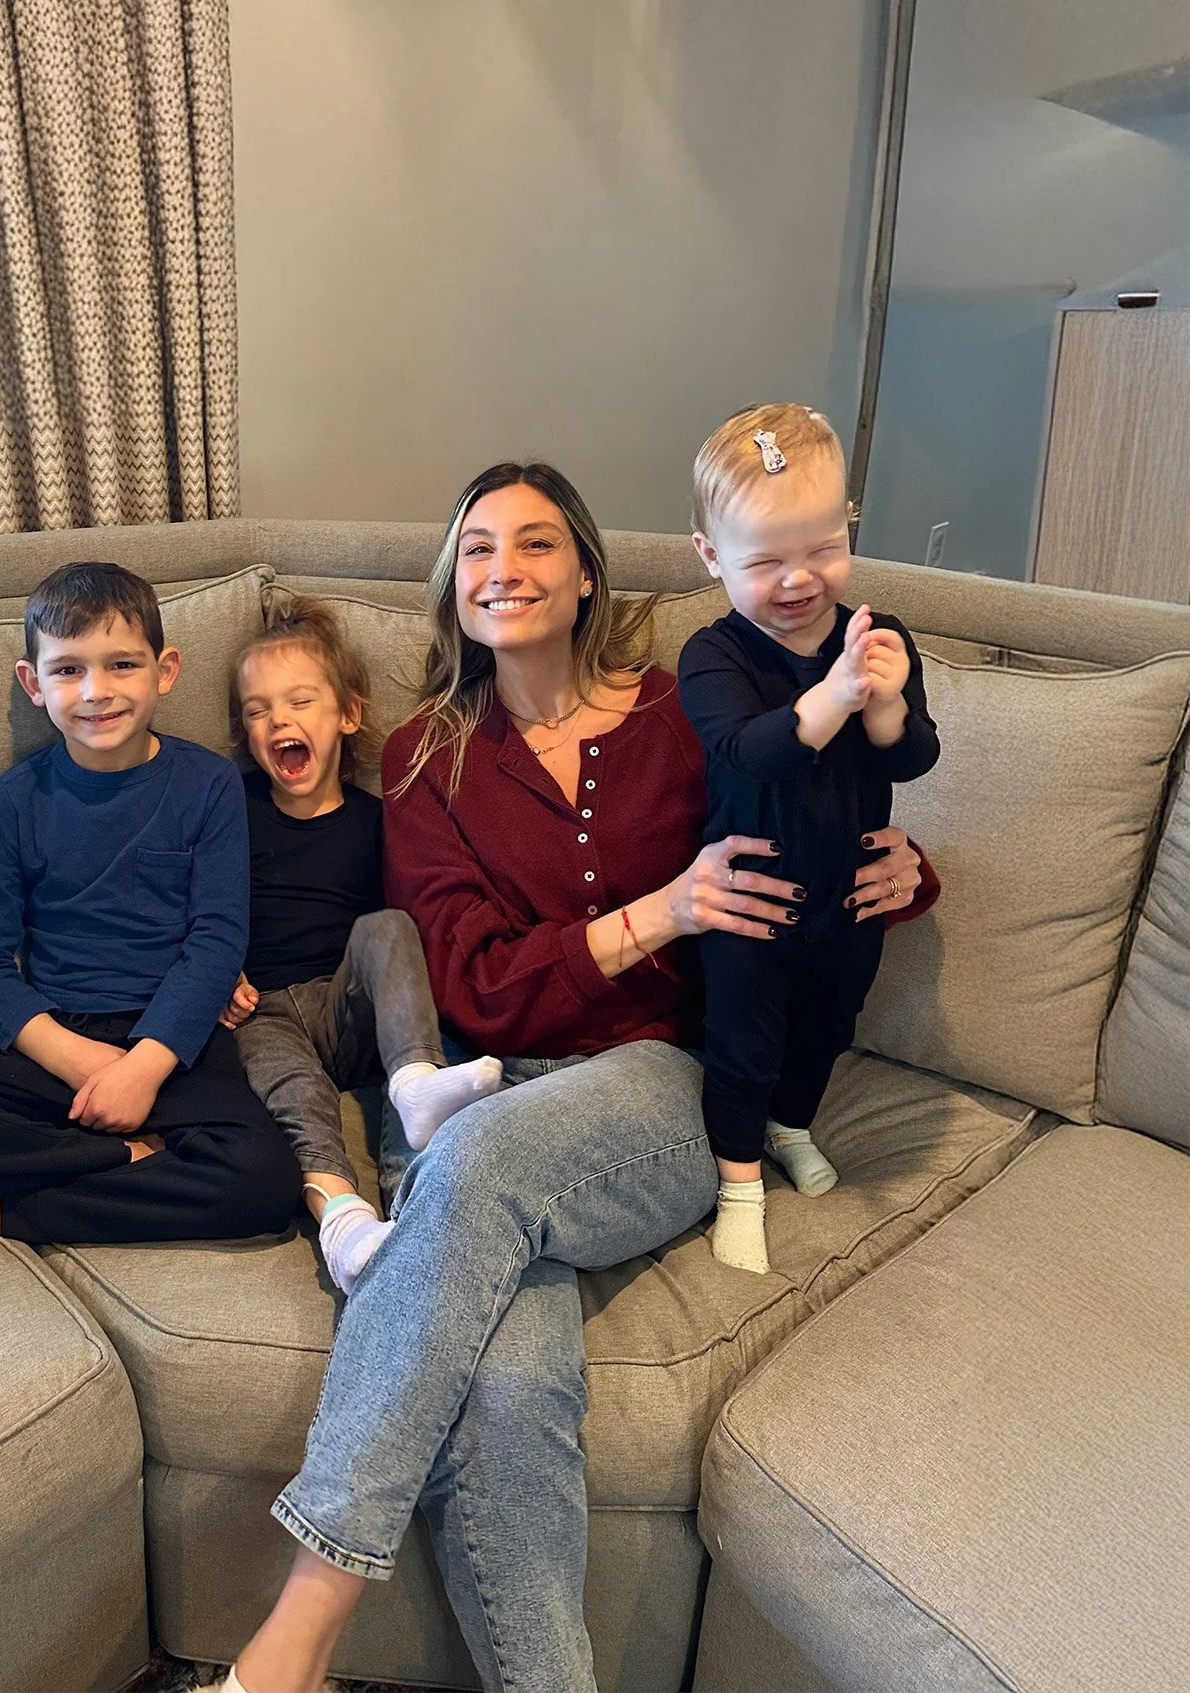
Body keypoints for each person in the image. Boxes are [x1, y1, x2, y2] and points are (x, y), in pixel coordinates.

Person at [213, 465, 935, 1693]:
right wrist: (661, 911)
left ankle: (292, 1644)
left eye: (537, 542)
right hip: (466, 1078)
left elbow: (814, 805)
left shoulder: (681, 710)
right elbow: (475, 986)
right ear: (456, 587)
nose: (506, 566)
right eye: (479, 546)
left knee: (478, 1162)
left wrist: (901, 870)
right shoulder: (430, 760)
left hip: (648, 1082)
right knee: (503, 1394)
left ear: (586, 571)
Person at [0, 562, 301, 1245]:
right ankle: (129, 1158)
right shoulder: (10, 802)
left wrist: (141, 1068)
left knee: (262, 1181)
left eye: (120, 665)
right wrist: (83, 1063)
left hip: (175, 1045)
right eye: (68, 670)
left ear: (164, 670)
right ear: (34, 683)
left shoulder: (208, 785)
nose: (96, 692)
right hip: (52, 1048)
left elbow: (215, 944)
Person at [678, 404, 940, 1274]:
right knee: (743, 1042)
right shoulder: (713, 656)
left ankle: (793, 1124)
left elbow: (912, 758)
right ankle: (739, 1184)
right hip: (749, 902)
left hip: (850, 897)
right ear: (711, 557)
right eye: (764, 561)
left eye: (822, 549)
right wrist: (833, 694)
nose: (798, 580)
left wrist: (891, 701)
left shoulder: (880, 637)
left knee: (829, 1022)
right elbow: (751, 753)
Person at [218, 595, 502, 1292]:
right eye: (257, 710)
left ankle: (414, 1083)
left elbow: (418, 922)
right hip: (262, 1010)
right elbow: (188, 900)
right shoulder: (231, 808)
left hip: (350, 1007)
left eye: (299, 701)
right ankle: (343, 1221)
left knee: (389, 927)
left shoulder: (383, 819)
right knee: (292, 1089)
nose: (277, 719)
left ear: (346, 714)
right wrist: (214, 973)